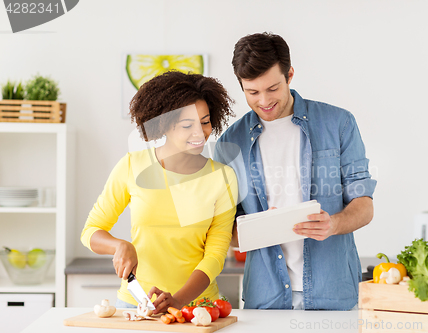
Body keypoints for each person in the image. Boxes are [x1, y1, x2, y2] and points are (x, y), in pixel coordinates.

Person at [214, 32, 377, 310]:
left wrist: (333, 224)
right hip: (266, 298)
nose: (264, 101)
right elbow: (224, 231)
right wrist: (261, 229)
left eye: (273, 88)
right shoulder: (230, 143)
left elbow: (364, 205)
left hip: (334, 292)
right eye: (252, 92)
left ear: (289, 75)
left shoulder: (338, 123)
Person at [81, 71, 238, 314]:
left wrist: (178, 300)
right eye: (187, 125)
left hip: (197, 309)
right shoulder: (133, 165)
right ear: (164, 124)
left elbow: (216, 254)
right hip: (136, 304)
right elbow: (90, 231)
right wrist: (119, 246)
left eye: (205, 122)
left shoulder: (223, 177)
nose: (199, 133)